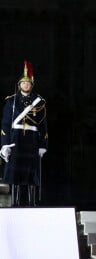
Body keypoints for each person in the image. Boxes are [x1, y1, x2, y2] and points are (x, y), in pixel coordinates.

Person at [0, 61, 48, 207]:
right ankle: (15, 202)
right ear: (19, 84)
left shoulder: (39, 102)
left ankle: (31, 203)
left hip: (32, 142)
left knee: (31, 175)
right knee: (16, 175)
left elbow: (43, 125)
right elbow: (5, 124)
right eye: (23, 83)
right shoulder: (11, 101)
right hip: (16, 141)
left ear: (31, 85)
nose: (26, 85)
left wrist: (42, 145)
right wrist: (4, 144)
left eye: (28, 83)